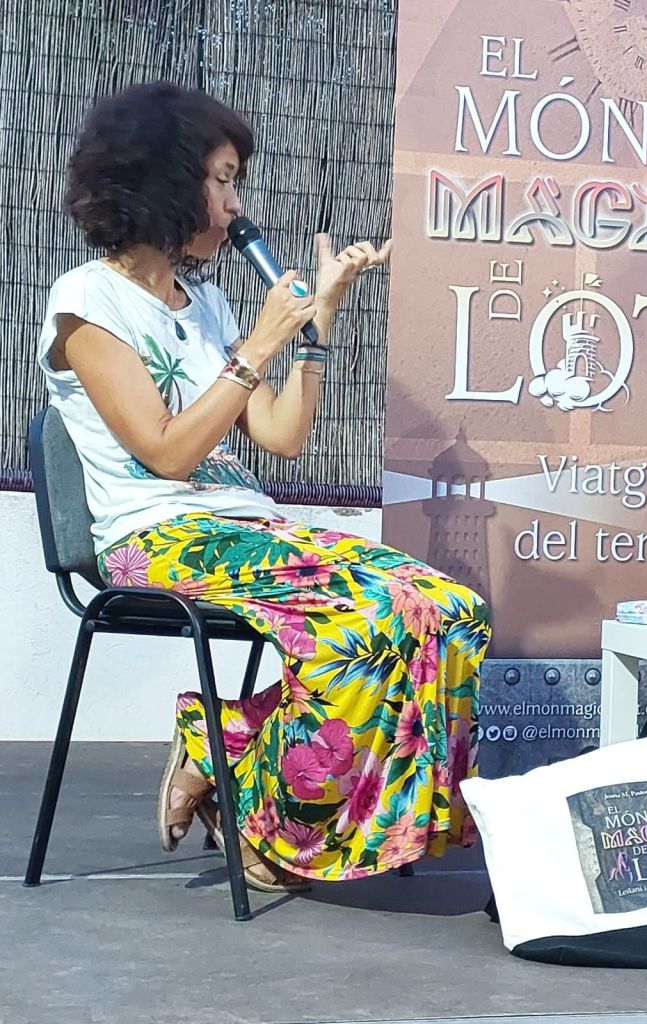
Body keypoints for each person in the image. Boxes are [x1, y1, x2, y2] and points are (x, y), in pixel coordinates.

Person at [37, 82, 491, 892]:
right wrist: (257, 344)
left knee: (449, 610)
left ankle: (218, 740)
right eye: (223, 180)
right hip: (153, 536)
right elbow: (168, 453)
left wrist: (315, 329)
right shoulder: (86, 301)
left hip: (245, 525)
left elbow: (280, 435)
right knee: (364, 626)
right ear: (167, 181)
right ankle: (265, 814)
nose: (235, 203)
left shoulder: (205, 303)